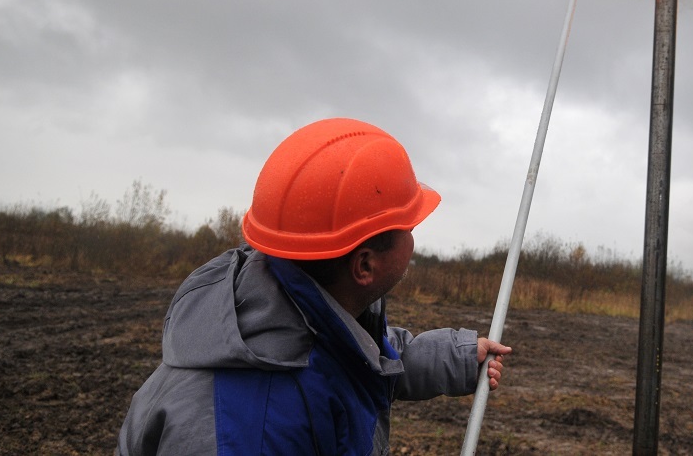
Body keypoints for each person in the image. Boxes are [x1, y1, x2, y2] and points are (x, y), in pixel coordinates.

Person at [116, 117, 512, 455]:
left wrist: (456, 356)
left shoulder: (285, 308)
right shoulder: (257, 430)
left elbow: (359, 359)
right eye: (407, 227)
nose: (415, 236)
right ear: (365, 265)